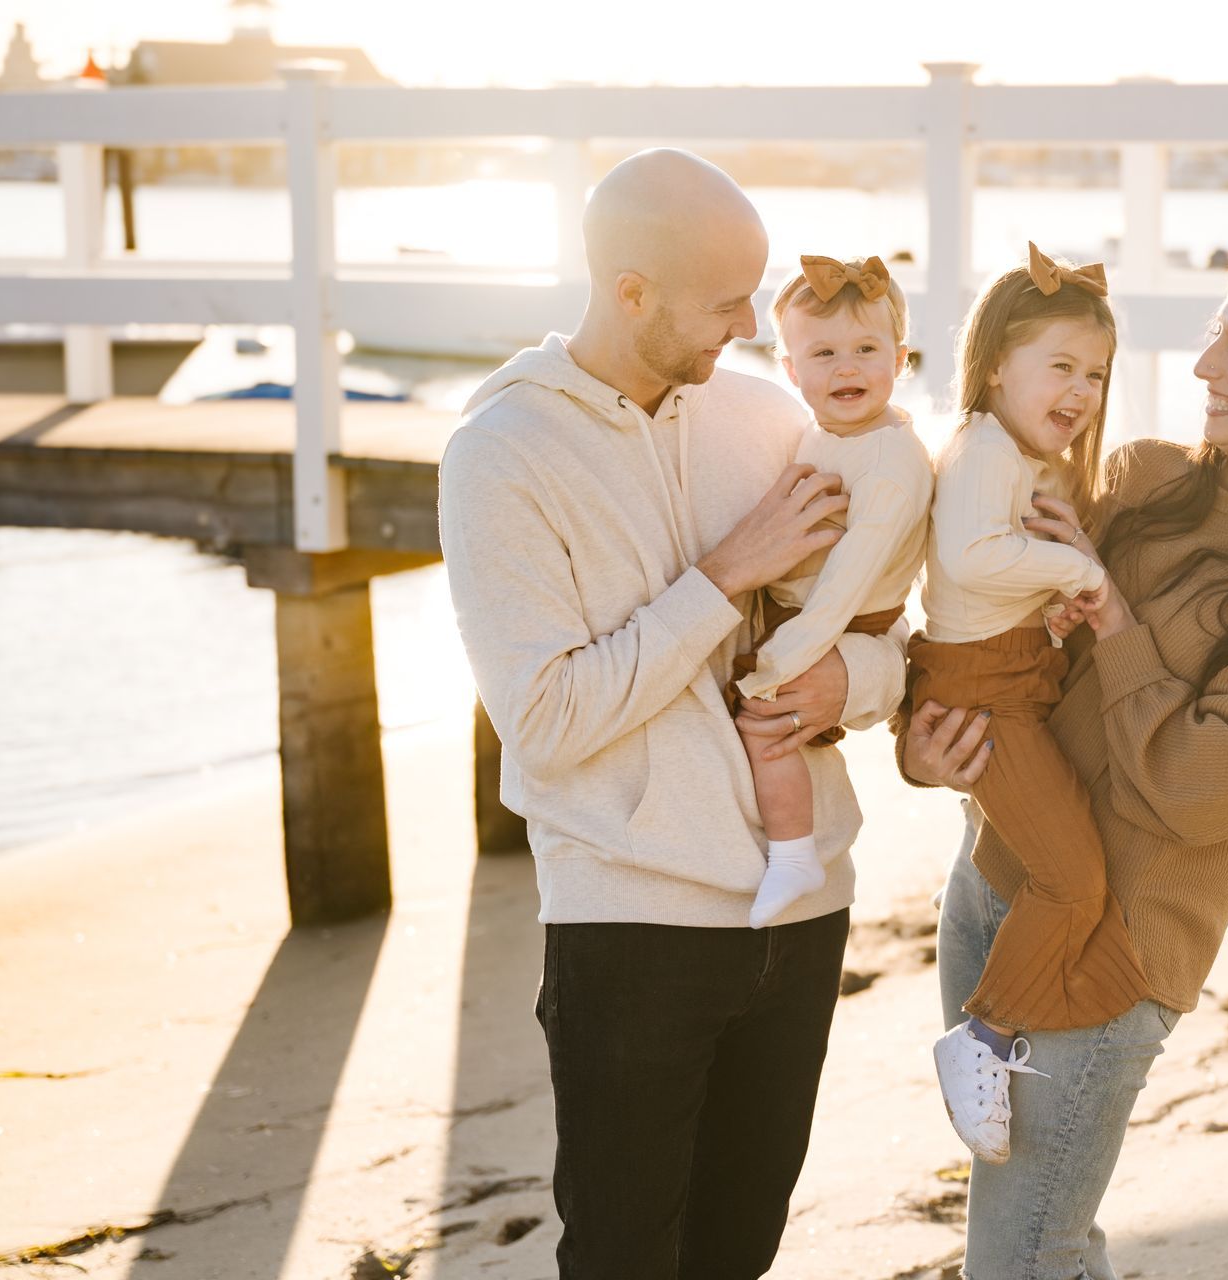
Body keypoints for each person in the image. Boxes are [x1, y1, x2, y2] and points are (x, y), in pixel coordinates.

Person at [900, 236, 1228, 1279]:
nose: (1203, 370)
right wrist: (928, 751)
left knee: (1019, 1254)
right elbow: (1004, 648)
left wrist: (1114, 615)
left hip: (1114, 948)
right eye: (1210, 339)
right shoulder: (1141, 478)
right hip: (986, 888)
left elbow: (1196, 789)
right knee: (1046, 1236)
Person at [437, 149, 907, 1279]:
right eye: (725, 299)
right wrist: (723, 572)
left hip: (801, 911)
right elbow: (546, 718)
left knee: (738, 1255)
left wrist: (860, 684)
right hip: (630, 925)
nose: (751, 325)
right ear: (630, 290)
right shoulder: (500, 452)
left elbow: (888, 628)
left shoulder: (764, 416)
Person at [908, 244, 1151, 1166]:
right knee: (1072, 879)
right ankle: (986, 1035)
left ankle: (1005, 1028)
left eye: (1095, 373)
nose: (1083, 390)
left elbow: (994, 571)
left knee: (1063, 862)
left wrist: (1055, 592)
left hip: (1008, 680)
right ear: (997, 362)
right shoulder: (979, 449)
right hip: (987, 694)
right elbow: (970, 560)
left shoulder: (1015, 457)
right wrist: (1078, 570)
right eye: (1061, 367)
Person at [730, 254, 932, 928]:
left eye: (866, 349)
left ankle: (793, 855)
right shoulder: (825, 432)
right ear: (791, 371)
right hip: (805, 610)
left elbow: (846, 584)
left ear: (900, 358)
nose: (847, 368)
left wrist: (780, 662)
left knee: (768, 723)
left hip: (839, 623)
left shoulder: (893, 463)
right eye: (824, 353)